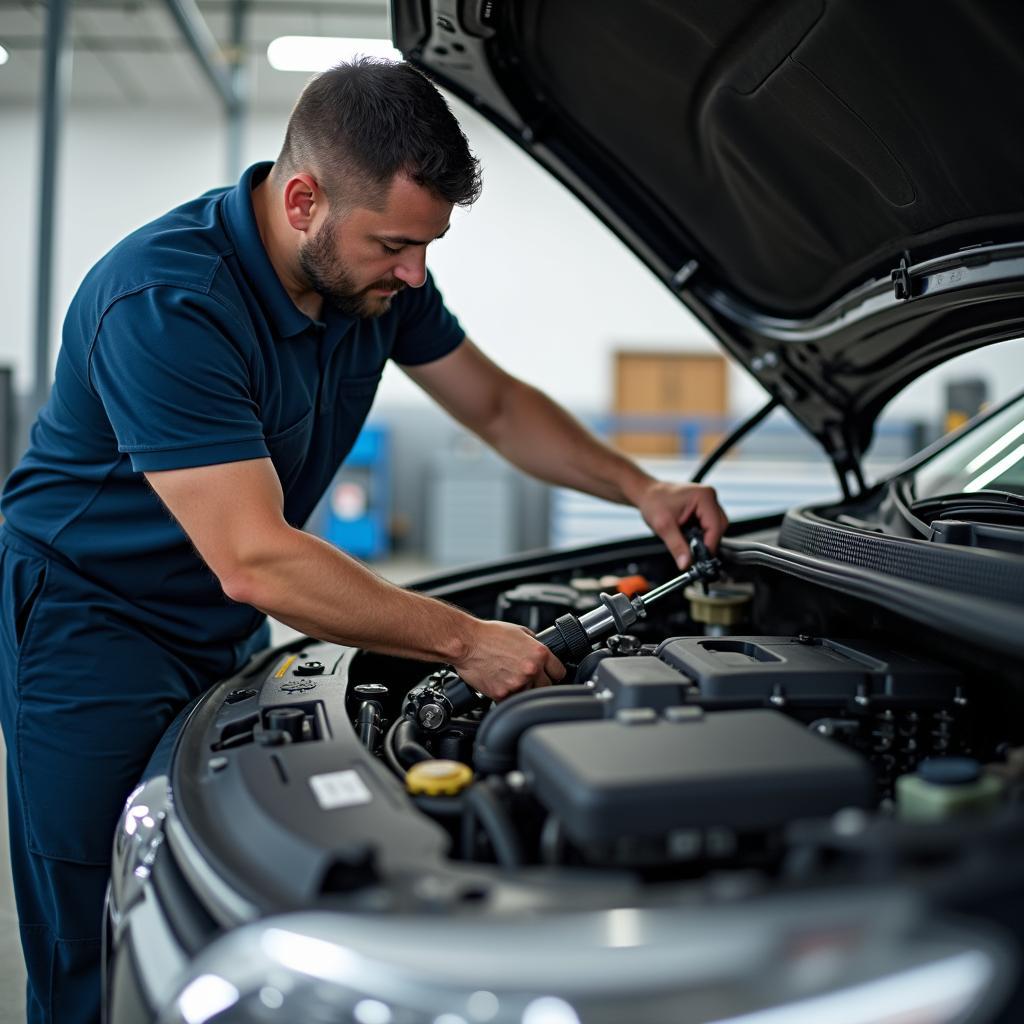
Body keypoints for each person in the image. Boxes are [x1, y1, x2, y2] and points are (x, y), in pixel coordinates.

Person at [0, 58, 727, 1023]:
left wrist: (641, 486)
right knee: (105, 928)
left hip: (218, 619)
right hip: (85, 624)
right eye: (395, 243)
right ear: (304, 200)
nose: (415, 272)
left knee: (218, 889)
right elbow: (254, 556)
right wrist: (466, 640)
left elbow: (500, 407)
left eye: (427, 245)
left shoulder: (372, 284)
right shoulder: (164, 301)